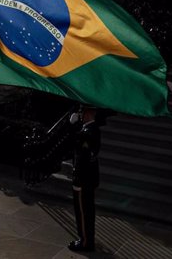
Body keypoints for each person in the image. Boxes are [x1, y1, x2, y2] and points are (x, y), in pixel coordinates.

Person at [68, 105, 102, 252]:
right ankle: (87, 239)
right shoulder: (92, 129)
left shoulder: (89, 131)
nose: (80, 115)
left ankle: (85, 242)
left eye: (82, 113)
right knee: (86, 211)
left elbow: (77, 144)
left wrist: (74, 125)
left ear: (87, 114)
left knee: (82, 212)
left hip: (83, 179)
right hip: (88, 178)